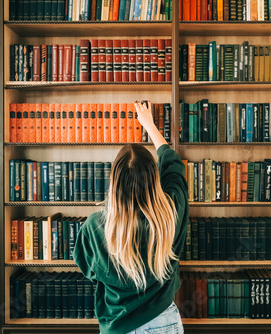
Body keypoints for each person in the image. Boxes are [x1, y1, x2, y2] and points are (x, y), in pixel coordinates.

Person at [73, 101, 189, 334]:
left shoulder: (95, 227)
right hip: (164, 322)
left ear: (114, 183)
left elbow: (88, 269)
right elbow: (173, 165)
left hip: (118, 326)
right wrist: (149, 125)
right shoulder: (170, 214)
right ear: (154, 179)